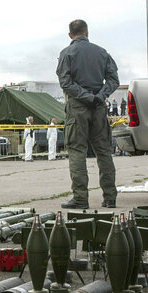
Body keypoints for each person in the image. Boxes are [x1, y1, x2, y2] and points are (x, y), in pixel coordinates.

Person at [56, 19, 119, 209]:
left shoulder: (67, 53)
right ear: (87, 33)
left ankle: (81, 198)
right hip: (98, 106)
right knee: (103, 151)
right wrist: (99, 96)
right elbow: (113, 79)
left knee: (77, 151)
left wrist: (85, 96)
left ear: (70, 35)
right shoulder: (101, 52)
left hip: (78, 107)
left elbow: (65, 82)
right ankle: (110, 197)